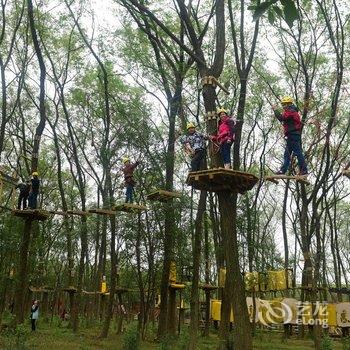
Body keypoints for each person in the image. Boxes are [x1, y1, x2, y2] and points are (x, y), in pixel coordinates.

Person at [272, 96, 308, 175]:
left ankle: (304, 170)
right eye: (283, 105)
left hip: (293, 135)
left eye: (284, 104)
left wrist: (275, 110)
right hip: (291, 135)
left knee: (298, 153)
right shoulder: (290, 111)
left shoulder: (291, 111)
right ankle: (283, 170)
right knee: (287, 154)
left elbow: (282, 118)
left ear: (289, 104)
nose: (283, 106)